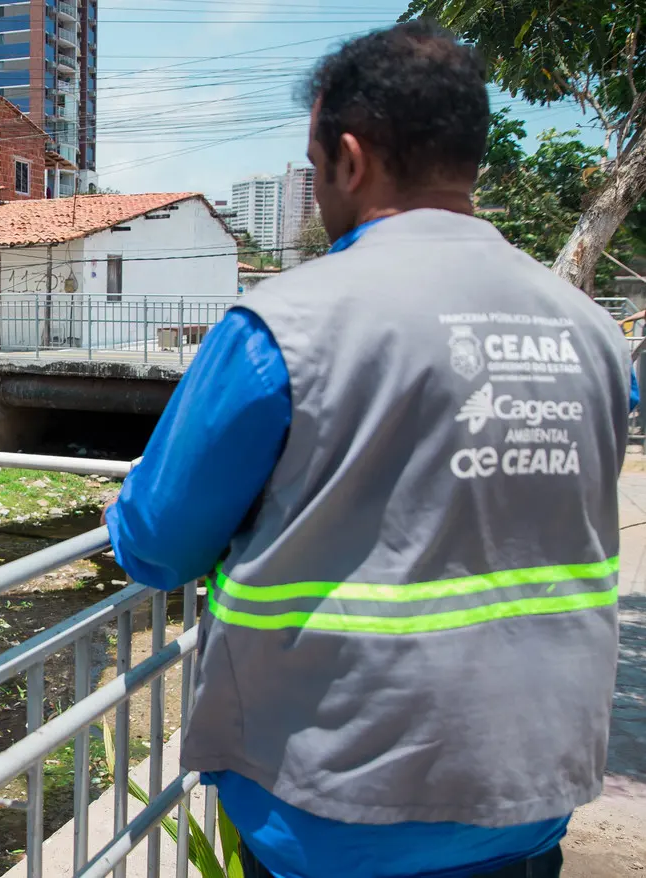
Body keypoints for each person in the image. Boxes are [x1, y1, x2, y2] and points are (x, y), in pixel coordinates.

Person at [105, 21, 631, 878]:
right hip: (529, 795)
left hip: (333, 807)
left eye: (314, 170)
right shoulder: (593, 333)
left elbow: (157, 542)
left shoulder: (282, 326)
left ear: (348, 160)